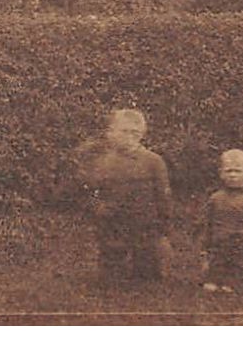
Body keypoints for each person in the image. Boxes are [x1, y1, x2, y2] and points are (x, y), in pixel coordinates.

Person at [75, 107, 174, 283]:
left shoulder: (153, 161)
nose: (129, 137)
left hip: (144, 218)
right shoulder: (103, 160)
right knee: (112, 253)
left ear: (142, 134)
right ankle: (113, 274)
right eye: (124, 132)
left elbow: (163, 193)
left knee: (147, 262)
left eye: (135, 133)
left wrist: (163, 222)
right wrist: (98, 206)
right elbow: (92, 188)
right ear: (111, 133)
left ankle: (146, 272)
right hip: (112, 217)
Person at [200, 149, 243, 293]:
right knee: (217, 260)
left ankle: (234, 282)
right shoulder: (216, 197)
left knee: (239, 262)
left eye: (237, 171)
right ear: (221, 173)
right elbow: (208, 218)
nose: (233, 175)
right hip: (219, 238)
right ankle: (214, 280)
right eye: (228, 171)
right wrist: (206, 235)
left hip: (241, 239)